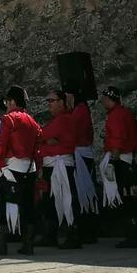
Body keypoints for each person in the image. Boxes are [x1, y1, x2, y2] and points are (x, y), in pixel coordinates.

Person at [0, 85, 39, 256]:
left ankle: (1, 245)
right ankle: (28, 245)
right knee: (28, 206)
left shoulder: (8, 119)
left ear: (11, 101)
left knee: (2, 203)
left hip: (11, 167)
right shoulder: (32, 121)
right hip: (29, 168)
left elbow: (1, 144)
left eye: (7, 101)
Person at [99, 85, 137, 248]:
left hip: (122, 161)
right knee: (128, 197)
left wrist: (111, 162)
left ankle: (133, 236)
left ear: (107, 98)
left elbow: (117, 140)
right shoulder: (124, 113)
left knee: (126, 198)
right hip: (128, 160)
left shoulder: (116, 116)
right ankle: (133, 235)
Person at [38, 90, 81, 248]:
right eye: (48, 101)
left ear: (61, 102)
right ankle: (52, 234)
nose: (49, 103)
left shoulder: (63, 120)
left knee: (66, 199)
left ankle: (71, 234)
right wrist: (47, 141)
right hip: (54, 165)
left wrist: (47, 141)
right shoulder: (58, 120)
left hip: (60, 165)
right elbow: (43, 138)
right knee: (51, 200)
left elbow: (41, 135)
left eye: (52, 100)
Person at [65, 88, 99, 243]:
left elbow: (73, 132)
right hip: (83, 153)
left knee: (82, 192)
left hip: (80, 154)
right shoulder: (82, 110)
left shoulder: (79, 111)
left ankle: (87, 229)